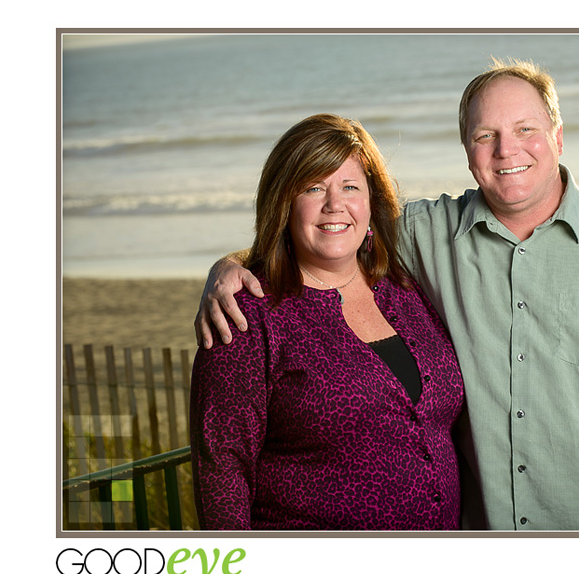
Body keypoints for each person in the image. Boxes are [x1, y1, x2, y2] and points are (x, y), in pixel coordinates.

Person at [196, 60, 579, 531]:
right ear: (467, 150)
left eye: (525, 130)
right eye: (485, 134)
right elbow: (334, 231)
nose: (506, 150)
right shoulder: (426, 234)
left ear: (558, 136)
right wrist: (233, 266)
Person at [190, 113, 465, 530]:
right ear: (284, 203)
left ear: (372, 203)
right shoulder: (247, 315)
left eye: (350, 187)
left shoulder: (405, 288)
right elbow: (222, 470)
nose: (335, 204)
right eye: (313, 187)